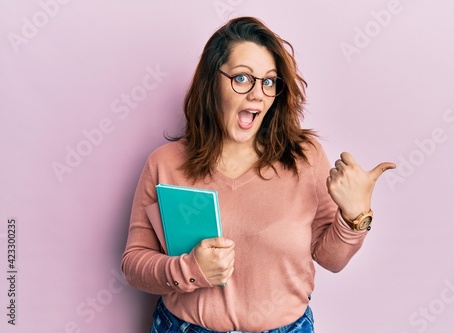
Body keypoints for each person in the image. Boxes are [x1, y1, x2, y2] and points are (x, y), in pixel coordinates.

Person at [121, 16, 395, 333]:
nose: (257, 94)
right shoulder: (165, 163)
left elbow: (330, 258)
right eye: (242, 78)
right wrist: (189, 269)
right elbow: (134, 263)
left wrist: (354, 215)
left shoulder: (305, 157)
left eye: (268, 81)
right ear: (212, 82)